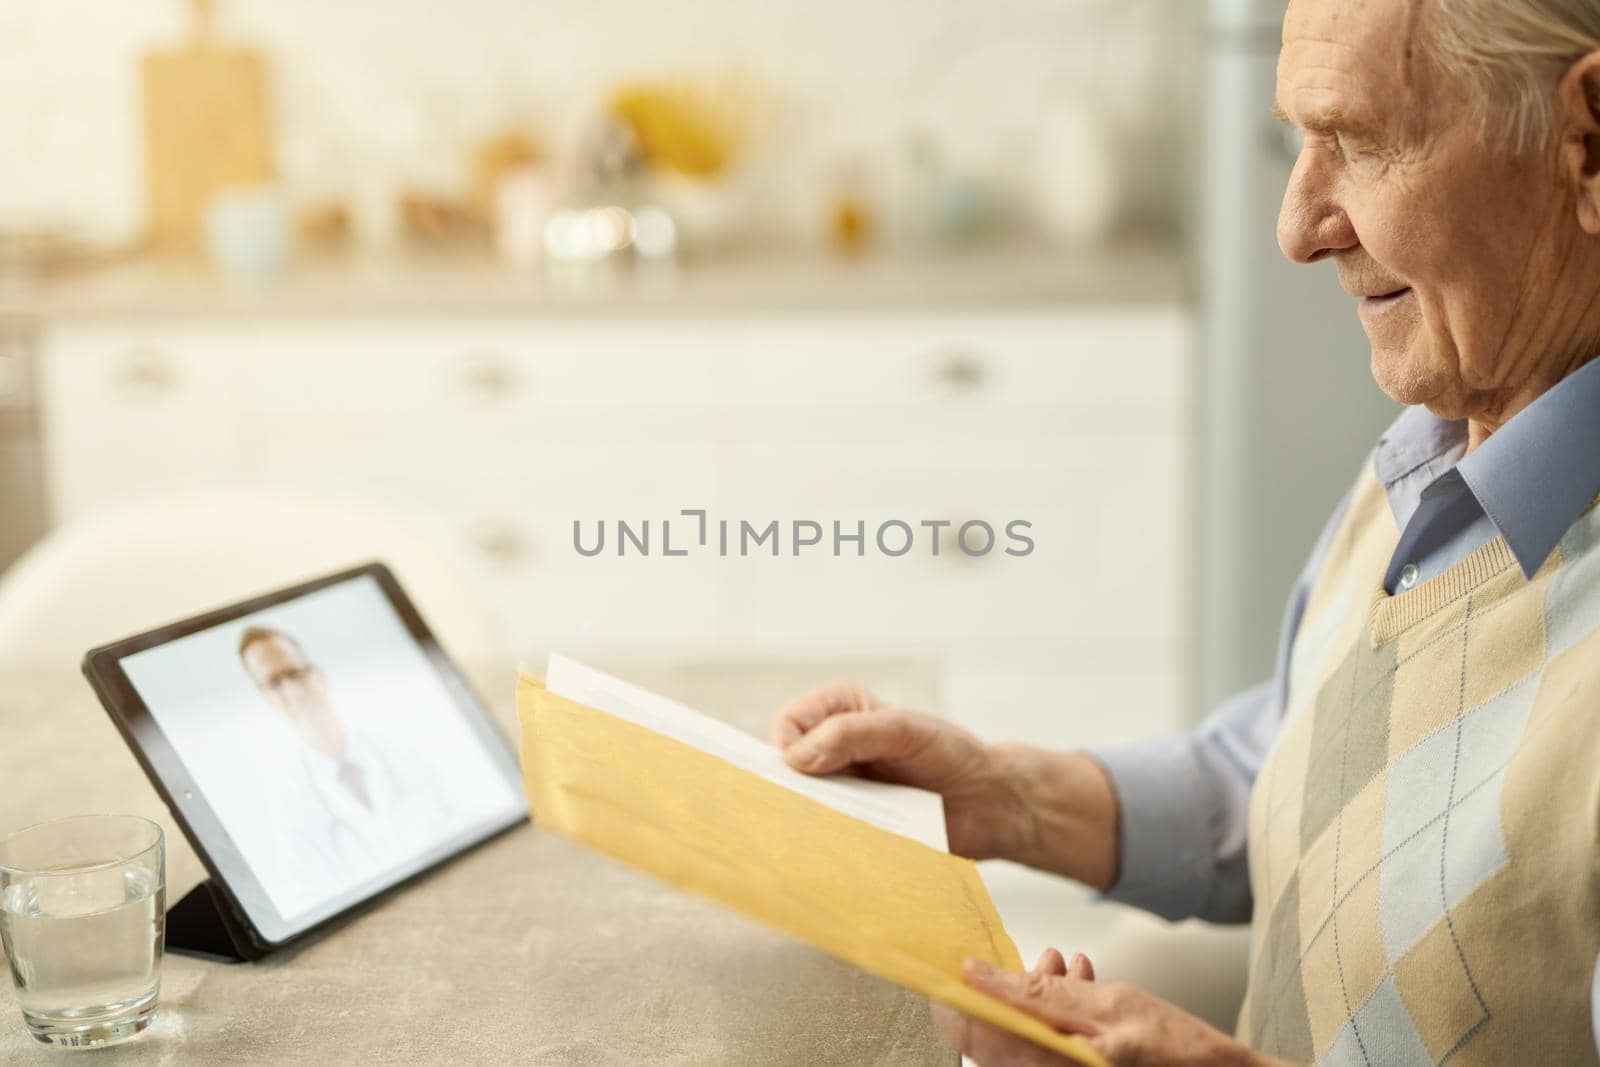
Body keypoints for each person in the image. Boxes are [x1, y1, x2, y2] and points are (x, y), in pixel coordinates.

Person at [769, 0, 1600, 1062]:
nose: (1295, 228)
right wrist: (1006, 795)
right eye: (1299, 141)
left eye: (1360, 144)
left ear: (1587, 141)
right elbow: (1310, 763)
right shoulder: (1445, 443)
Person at [239, 626, 457, 911]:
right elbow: (311, 898)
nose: (292, 690)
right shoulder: (290, 812)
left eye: (294, 673)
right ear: (266, 698)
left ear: (319, 675)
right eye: (274, 683)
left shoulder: (407, 752)